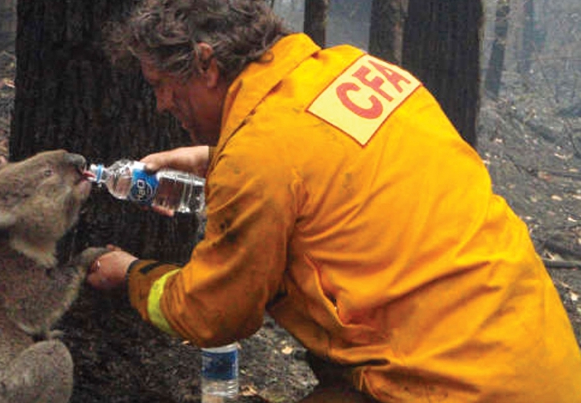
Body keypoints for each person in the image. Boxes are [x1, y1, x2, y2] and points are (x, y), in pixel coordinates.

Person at [87, 0, 581, 401]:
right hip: (540, 360)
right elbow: (324, 162)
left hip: (451, 387)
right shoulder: (355, 69)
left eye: (161, 87)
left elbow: (213, 314)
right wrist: (211, 157)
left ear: (205, 64)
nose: (161, 105)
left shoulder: (260, 158)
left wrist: (131, 274)